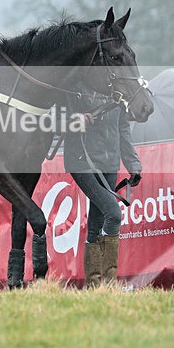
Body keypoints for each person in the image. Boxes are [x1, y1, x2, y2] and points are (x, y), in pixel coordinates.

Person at [65, 84, 142, 287]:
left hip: (110, 163)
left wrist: (133, 165)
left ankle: (94, 285)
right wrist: (77, 120)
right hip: (82, 162)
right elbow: (57, 121)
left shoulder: (117, 91)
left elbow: (123, 129)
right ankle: (109, 284)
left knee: (96, 223)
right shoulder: (75, 85)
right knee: (113, 214)